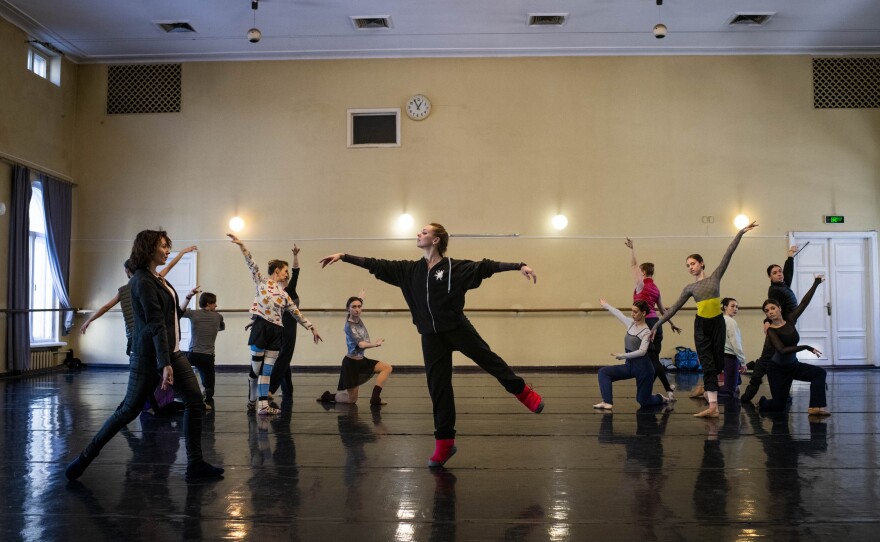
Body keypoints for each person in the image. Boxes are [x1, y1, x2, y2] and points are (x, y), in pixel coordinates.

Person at [319, 222, 544, 469]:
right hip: (431, 336)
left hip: (457, 328)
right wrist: (344, 256)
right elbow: (376, 264)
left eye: (424, 232)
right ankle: (445, 443)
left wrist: (518, 265)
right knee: (439, 388)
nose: (419, 234)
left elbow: (484, 267)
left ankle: (523, 392)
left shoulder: (453, 268)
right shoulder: (409, 271)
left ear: (436, 240)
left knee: (490, 361)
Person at [65, 229, 224, 482]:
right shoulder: (140, 281)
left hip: (172, 353)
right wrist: (164, 363)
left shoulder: (157, 278)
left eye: (168, 246)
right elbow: (154, 323)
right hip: (148, 358)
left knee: (195, 402)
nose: (167, 250)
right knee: (128, 410)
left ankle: (195, 463)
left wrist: (170, 357)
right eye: (163, 246)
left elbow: (168, 317)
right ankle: (84, 457)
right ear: (148, 248)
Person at [651, 221, 758, 418]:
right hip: (701, 326)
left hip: (717, 323)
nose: (690, 267)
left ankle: (713, 396)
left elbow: (728, 254)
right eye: (687, 266)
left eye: (692, 263)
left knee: (717, 364)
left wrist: (740, 232)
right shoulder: (689, 288)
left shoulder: (715, 278)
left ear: (701, 263)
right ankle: (713, 407)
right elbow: (673, 308)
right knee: (708, 366)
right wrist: (657, 324)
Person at [228, 234, 322, 416]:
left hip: (277, 332)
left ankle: (263, 406)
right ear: (277, 271)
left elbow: (296, 313)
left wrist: (312, 327)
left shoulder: (285, 295)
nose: (287, 274)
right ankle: (252, 399)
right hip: (261, 329)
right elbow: (251, 263)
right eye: (285, 270)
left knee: (267, 371)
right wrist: (242, 246)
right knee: (255, 370)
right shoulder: (262, 282)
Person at [80, 245, 197, 353]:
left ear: (127, 271)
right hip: (149, 332)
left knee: (139, 365)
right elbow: (169, 267)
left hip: (135, 335)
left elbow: (106, 307)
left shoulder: (124, 290)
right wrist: (181, 253)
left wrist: (89, 320)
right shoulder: (149, 281)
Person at [758, 275, 830, 415]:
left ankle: (815, 407)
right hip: (777, 370)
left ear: (779, 308)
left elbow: (804, 302)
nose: (770, 312)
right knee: (779, 405)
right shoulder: (771, 331)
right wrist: (806, 347)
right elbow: (783, 350)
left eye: (772, 308)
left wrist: (815, 283)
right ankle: (762, 401)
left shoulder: (790, 319)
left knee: (819, 373)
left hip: (793, 366)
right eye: (767, 311)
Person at [624, 238, 682, 402]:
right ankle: (652, 388)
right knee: (651, 358)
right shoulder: (656, 288)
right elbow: (663, 311)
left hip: (647, 325)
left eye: (640, 272)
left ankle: (668, 389)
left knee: (653, 360)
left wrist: (632, 249)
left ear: (643, 273)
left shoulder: (640, 285)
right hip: (658, 324)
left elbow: (632, 266)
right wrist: (672, 324)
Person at [741, 245, 799, 402]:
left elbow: (788, 274)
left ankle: (783, 394)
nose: (779, 274)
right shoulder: (774, 290)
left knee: (787, 360)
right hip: (777, 330)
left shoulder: (783, 284)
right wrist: (767, 321)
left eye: (779, 271)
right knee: (765, 362)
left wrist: (790, 256)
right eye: (775, 273)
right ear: (770, 277)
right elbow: (771, 308)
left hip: (785, 329)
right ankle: (747, 396)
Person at [317, 292, 393, 405]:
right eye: (354, 307)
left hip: (361, 360)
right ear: (348, 309)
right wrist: (375, 344)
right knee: (351, 400)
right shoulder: (349, 326)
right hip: (351, 364)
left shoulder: (356, 317)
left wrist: (360, 297)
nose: (357, 309)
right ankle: (328, 396)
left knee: (387, 368)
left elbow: (357, 303)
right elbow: (361, 344)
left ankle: (375, 398)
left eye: (359, 306)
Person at [593, 299, 668, 410]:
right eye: (632, 311)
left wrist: (623, 355)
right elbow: (619, 314)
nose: (632, 314)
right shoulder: (631, 324)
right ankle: (607, 402)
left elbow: (642, 351)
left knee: (643, 401)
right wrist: (606, 305)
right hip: (630, 365)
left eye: (635, 312)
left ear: (643, 313)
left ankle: (660, 398)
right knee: (604, 373)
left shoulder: (646, 332)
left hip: (644, 369)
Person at [268, 244, 301, 405]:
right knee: (284, 358)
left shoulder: (288, 290)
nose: (286, 276)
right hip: (282, 325)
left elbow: (295, 272)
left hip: (285, 325)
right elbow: (266, 308)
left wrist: (295, 256)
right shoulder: (278, 291)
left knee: (283, 357)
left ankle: (279, 390)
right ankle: (279, 390)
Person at [181, 290, 225, 410]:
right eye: (214, 303)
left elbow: (179, 311)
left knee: (178, 368)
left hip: (193, 355)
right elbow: (221, 328)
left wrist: (188, 297)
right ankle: (206, 395)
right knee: (210, 389)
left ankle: (179, 392)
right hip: (208, 357)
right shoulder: (218, 316)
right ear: (208, 303)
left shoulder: (192, 313)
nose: (216, 305)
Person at [719, 297, 747, 399]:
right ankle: (707, 391)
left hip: (725, 355)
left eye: (737, 306)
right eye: (732, 306)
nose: (735, 308)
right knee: (729, 391)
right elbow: (735, 343)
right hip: (730, 357)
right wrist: (743, 361)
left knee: (735, 385)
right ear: (725, 307)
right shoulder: (730, 322)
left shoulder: (721, 320)